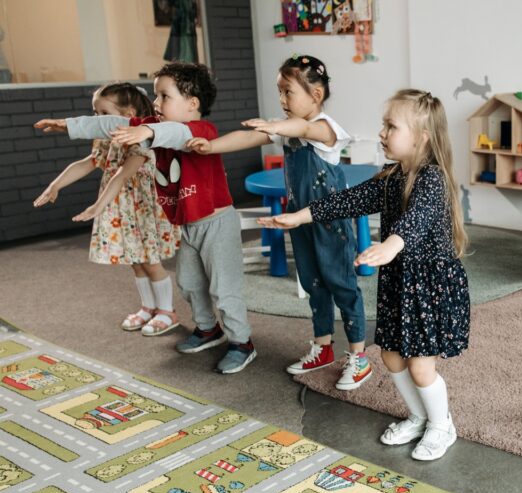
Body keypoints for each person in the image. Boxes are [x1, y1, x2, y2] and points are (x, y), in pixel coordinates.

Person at [260, 89, 469, 461]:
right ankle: (418, 416)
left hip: (429, 287)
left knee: (421, 367)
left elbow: (416, 218)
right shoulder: (390, 176)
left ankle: (442, 425)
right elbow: (347, 200)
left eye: (391, 126)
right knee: (390, 356)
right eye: (383, 125)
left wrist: (390, 245)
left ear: (421, 137)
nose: (383, 133)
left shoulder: (432, 179)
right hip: (400, 284)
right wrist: (298, 216)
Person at [35, 62, 257, 374]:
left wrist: (148, 129)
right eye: (156, 96)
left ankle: (242, 343)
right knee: (190, 283)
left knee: (223, 287)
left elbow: (176, 133)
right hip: (189, 226)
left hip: (216, 224)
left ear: (192, 104)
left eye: (164, 96)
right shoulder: (152, 128)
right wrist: (69, 125)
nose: (156, 103)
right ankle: (208, 330)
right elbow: (112, 125)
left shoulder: (200, 130)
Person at [186, 55, 371, 390]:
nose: (282, 100)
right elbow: (248, 138)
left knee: (341, 285)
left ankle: (358, 356)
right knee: (313, 284)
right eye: (280, 93)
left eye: (288, 92)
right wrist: (210, 146)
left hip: (330, 224)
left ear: (315, 95)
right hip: (298, 221)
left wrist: (274, 126)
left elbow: (303, 129)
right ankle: (323, 347)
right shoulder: (286, 129)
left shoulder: (327, 128)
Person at [33, 82, 180, 336]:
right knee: (134, 261)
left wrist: (99, 205)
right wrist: (55, 185)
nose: (97, 119)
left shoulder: (143, 138)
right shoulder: (106, 140)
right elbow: (88, 163)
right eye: (95, 113)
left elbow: (123, 174)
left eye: (103, 113)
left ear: (128, 113)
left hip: (142, 209)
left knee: (150, 261)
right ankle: (148, 307)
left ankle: (167, 311)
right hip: (122, 209)